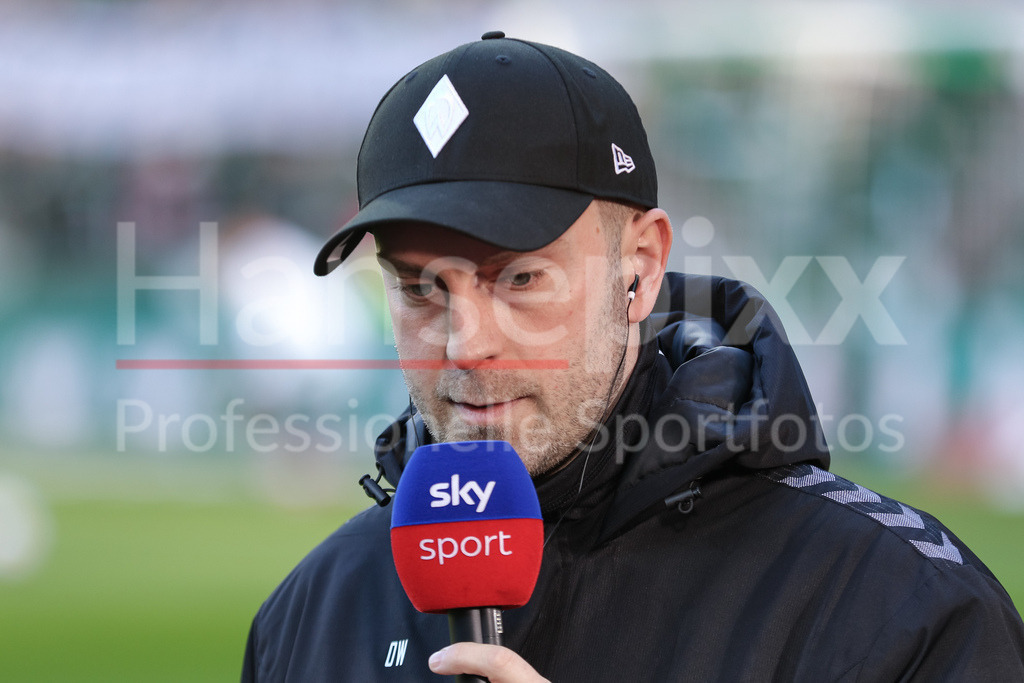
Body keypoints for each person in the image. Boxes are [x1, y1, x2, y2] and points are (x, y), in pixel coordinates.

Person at [242, 32, 1024, 681]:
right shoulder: (307, 614)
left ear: (641, 267)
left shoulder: (901, 607)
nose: (464, 343)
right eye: (420, 287)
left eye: (519, 278)